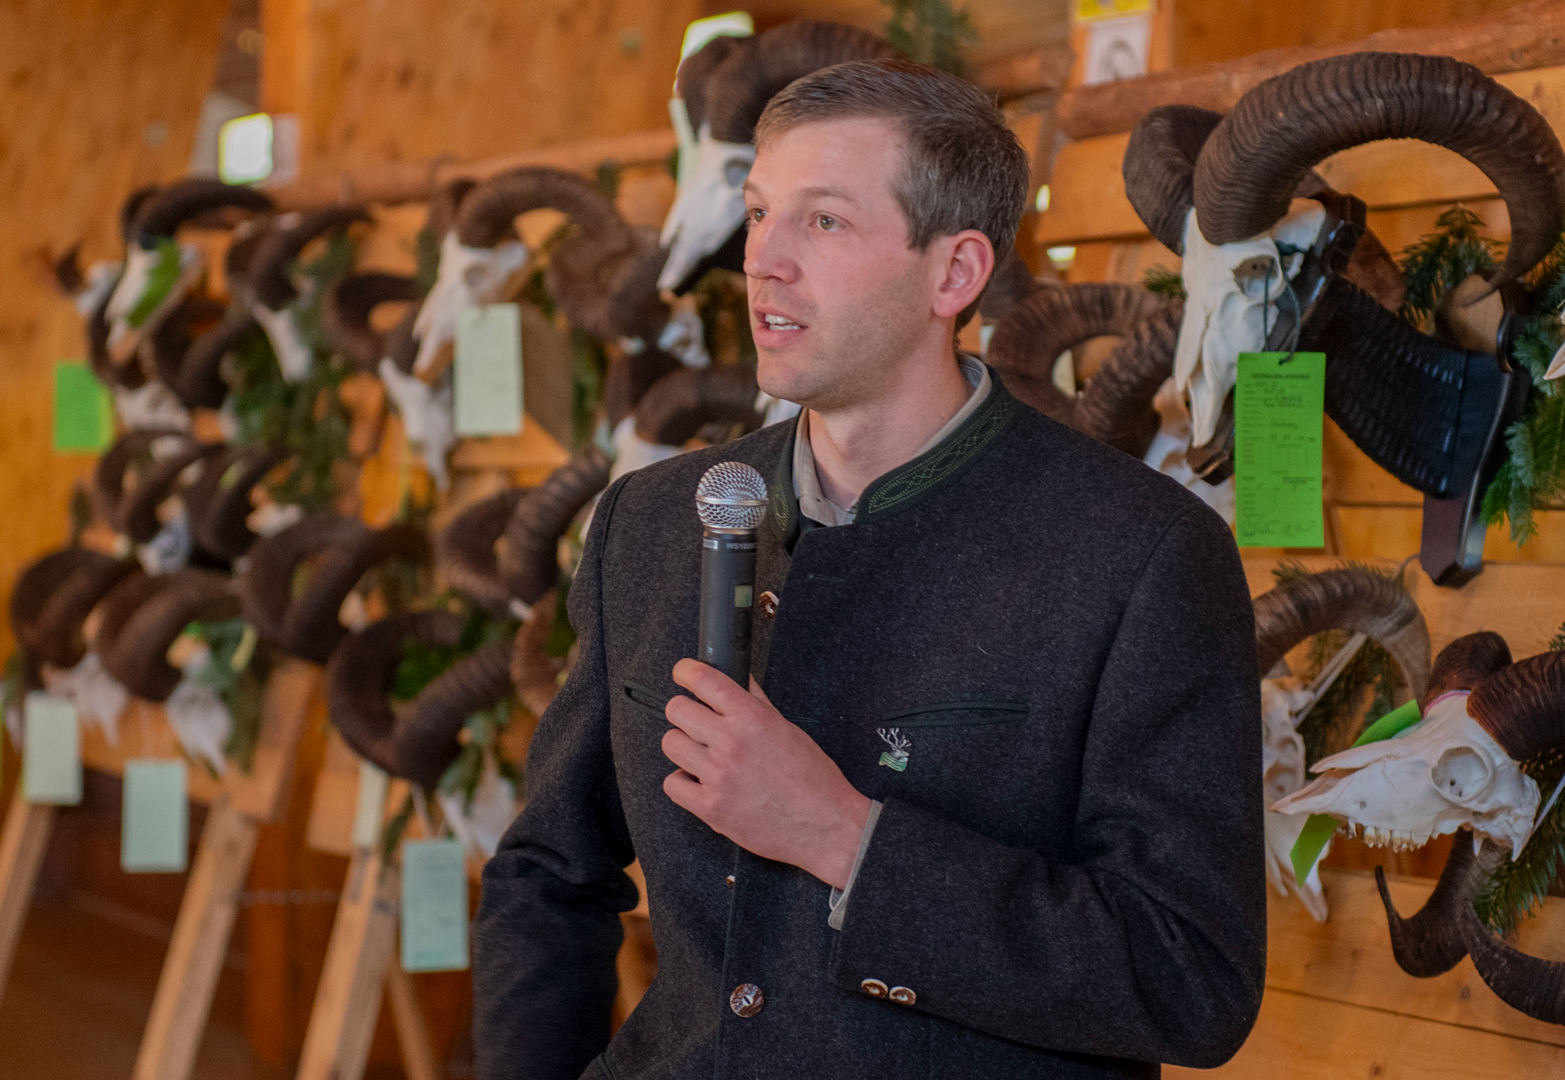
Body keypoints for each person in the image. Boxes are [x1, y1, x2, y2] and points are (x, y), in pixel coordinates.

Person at [474, 57, 1265, 1080]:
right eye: (760, 214)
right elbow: (547, 873)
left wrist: (842, 837)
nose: (764, 261)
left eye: (824, 221)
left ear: (956, 273)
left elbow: (1190, 980)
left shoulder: (1141, 552)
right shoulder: (653, 519)